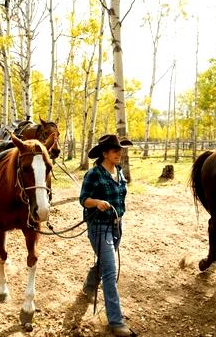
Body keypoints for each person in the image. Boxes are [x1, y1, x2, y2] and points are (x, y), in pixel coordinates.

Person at [79, 134, 133, 337]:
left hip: (117, 225)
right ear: (105, 153)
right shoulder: (94, 174)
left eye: (120, 150)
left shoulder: (118, 171)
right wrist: (97, 203)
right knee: (110, 271)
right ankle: (116, 321)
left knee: (104, 262)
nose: (119, 153)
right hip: (99, 227)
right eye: (115, 150)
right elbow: (83, 199)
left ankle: (90, 284)